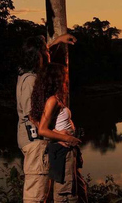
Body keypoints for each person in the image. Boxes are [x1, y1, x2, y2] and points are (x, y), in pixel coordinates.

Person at [16, 33, 76, 202]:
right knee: (36, 195)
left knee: (46, 192)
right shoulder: (30, 80)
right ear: (38, 56)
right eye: (45, 52)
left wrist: (57, 41)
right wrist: (59, 135)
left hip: (39, 142)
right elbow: (32, 116)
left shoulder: (25, 71)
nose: (48, 54)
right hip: (35, 144)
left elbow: (36, 50)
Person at [30, 63, 87, 203]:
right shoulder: (52, 100)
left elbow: (37, 120)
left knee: (77, 189)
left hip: (67, 150)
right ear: (56, 78)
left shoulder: (56, 98)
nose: (66, 78)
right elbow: (42, 129)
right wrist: (66, 137)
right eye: (64, 75)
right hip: (62, 150)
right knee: (65, 194)